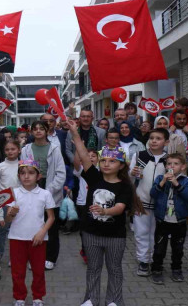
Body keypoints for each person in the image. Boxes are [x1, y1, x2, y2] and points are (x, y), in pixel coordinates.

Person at [69, 118, 137, 306]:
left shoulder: (124, 186)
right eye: (104, 160)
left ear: (122, 165)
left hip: (115, 235)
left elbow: (120, 208)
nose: (106, 164)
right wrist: (75, 133)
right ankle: (91, 299)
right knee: (93, 268)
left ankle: (114, 300)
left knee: (114, 269)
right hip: (91, 232)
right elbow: (83, 155)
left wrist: (105, 211)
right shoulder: (94, 176)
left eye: (112, 161)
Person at [7, 159, 55, 306]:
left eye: (31, 173)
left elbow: (51, 217)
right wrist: (12, 213)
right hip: (16, 238)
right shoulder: (13, 193)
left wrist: (42, 232)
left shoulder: (45, 193)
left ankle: (38, 297)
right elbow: (8, 219)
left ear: (38, 176)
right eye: (22, 173)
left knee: (38, 271)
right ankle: (19, 297)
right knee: (17, 272)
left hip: (38, 239)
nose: (26, 176)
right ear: (18, 176)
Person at [21, 120, 66, 270]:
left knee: (50, 226)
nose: (39, 131)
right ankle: (33, 257)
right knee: (33, 224)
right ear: (31, 132)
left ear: (47, 131)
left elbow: (60, 173)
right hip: (32, 187)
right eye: (35, 129)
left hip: (51, 189)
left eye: (42, 128)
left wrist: (49, 190)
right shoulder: (26, 149)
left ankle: (50, 257)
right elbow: (23, 170)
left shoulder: (54, 148)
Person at [130, 128, 170, 277]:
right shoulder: (140, 155)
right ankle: (143, 261)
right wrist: (132, 173)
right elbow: (130, 177)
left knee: (157, 233)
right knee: (141, 232)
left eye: (158, 138)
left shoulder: (169, 159)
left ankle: (155, 259)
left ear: (166, 142)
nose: (154, 141)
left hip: (161, 204)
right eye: (152, 138)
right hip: (142, 201)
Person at [149, 153, 188, 284]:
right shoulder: (159, 178)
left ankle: (176, 269)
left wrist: (176, 184)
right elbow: (153, 194)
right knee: (159, 247)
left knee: (178, 248)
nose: (171, 166)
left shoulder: (187, 181)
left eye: (175, 164)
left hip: (179, 221)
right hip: (162, 220)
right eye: (169, 164)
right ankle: (156, 269)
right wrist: (163, 181)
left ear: (183, 166)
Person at [72, 146, 99, 265]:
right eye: (88, 156)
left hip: (97, 205)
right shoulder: (81, 170)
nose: (91, 158)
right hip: (83, 203)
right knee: (84, 230)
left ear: (98, 159)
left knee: (95, 229)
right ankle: (85, 251)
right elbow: (76, 163)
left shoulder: (102, 170)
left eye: (94, 156)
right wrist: (79, 149)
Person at [0, 140, 22, 257]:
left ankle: (16, 255)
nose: (10, 152)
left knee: (18, 229)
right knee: (1, 230)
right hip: (5, 203)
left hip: (20, 201)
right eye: (7, 149)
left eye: (13, 149)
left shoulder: (23, 165)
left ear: (19, 150)